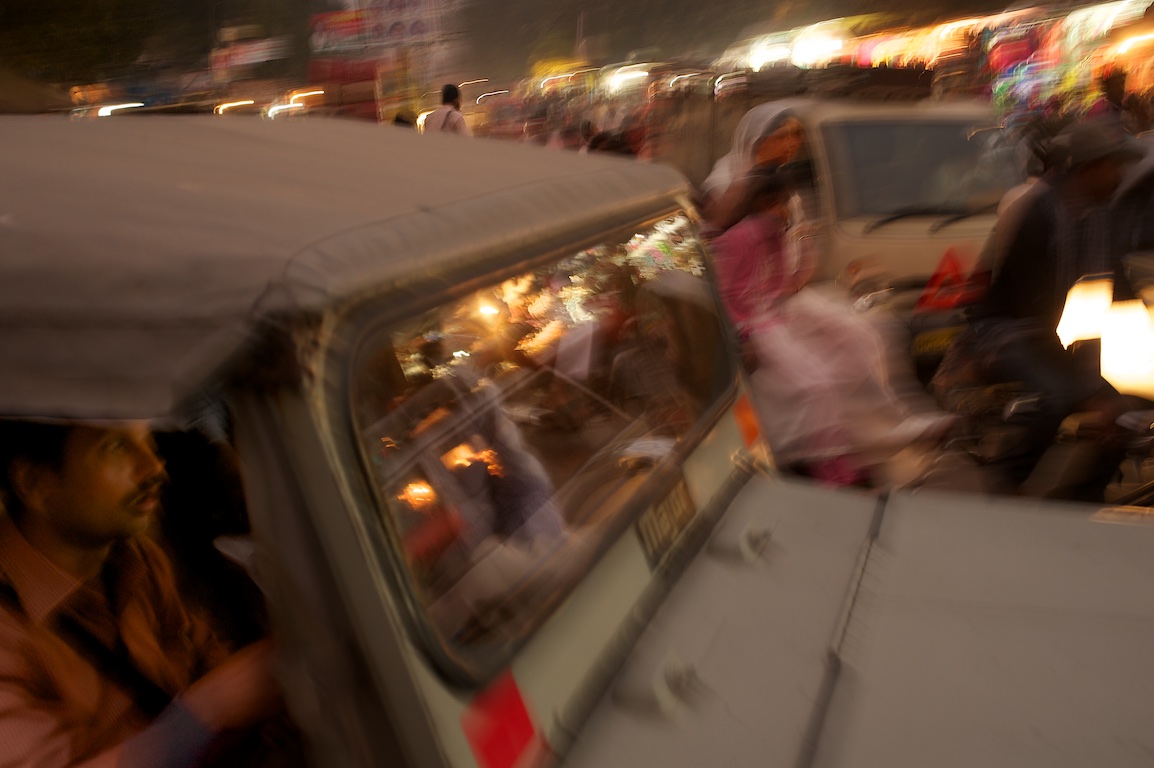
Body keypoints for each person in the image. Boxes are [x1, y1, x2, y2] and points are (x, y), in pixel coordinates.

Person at [0, 420, 284, 767]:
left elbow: (205, 657)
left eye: (147, 440)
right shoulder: (9, 630)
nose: (155, 467)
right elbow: (217, 699)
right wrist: (207, 713)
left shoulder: (136, 558)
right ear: (33, 482)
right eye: (114, 447)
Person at [969, 119, 1146, 498]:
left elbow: (1114, 290)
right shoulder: (1039, 214)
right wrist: (1089, 389)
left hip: (1063, 338)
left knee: (1128, 411)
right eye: (1113, 166)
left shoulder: (1101, 216)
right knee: (1059, 396)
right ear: (1088, 168)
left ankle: (1080, 500)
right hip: (1011, 331)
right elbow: (1034, 310)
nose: (1119, 175)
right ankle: (1008, 484)